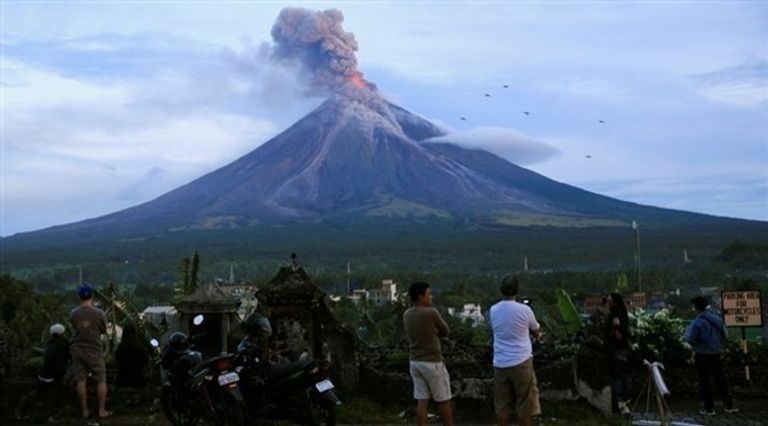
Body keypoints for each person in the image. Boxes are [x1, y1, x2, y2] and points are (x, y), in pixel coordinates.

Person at [488, 274, 541, 426]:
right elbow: (536, 331)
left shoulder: (493, 310)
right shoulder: (525, 310)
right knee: (524, 406)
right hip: (521, 362)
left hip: (500, 363)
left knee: (502, 407)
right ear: (517, 290)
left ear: (501, 290)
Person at [402, 282, 453, 426]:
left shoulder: (407, 314)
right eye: (428, 294)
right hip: (432, 361)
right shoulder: (431, 312)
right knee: (443, 399)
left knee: (422, 400)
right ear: (420, 297)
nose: (430, 297)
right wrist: (435, 332)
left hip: (415, 362)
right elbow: (446, 331)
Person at [684, 296, 738, 416]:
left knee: (705, 381)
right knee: (720, 379)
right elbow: (725, 333)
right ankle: (728, 405)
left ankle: (709, 408)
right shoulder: (716, 318)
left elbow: (691, 339)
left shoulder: (698, 322)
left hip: (702, 354)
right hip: (716, 353)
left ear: (696, 307)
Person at [69, 284, 111, 421]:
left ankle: (84, 411)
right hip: (94, 349)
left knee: (81, 380)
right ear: (92, 296)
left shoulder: (74, 313)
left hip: (77, 348)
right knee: (101, 380)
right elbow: (104, 330)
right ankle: (101, 410)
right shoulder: (99, 313)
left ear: (79, 297)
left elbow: (74, 326)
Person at [16, 323, 70, 422]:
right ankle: (52, 416)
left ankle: (23, 411)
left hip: (44, 374)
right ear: (62, 333)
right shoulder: (64, 344)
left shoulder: (50, 344)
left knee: (38, 394)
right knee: (54, 396)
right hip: (57, 375)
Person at [605, 293, 631, 416]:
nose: (607, 302)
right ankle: (624, 402)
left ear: (614, 302)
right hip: (623, 348)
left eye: (609, 300)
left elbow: (616, 325)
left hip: (617, 349)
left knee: (616, 376)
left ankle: (619, 404)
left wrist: (615, 332)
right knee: (622, 375)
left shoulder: (615, 314)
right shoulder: (623, 312)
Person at [115, 322, 149, 388]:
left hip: (123, 379)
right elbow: (145, 360)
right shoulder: (139, 349)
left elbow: (117, 360)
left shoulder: (121, 349)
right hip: (138, 379)